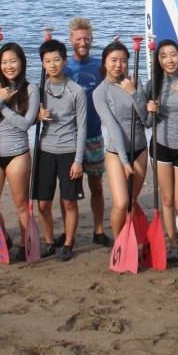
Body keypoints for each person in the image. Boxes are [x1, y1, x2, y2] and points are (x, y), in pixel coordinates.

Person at [0, 42, 39, 262]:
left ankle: (25, 244)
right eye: (4, 62)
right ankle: (3, 238)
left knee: (21, 204)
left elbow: (25, 124)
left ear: (22, 62)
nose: (9, 66)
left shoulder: (30, 89)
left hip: (18, 153)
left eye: (13, 61)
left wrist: (1, 104)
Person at [145, 39, 178, 263]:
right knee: (166, 200)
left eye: (173, 54)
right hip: (160, 148)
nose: (169, 60)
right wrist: (150, 110)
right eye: (164, 56)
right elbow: (148, 124)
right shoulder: (152, 84)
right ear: (158, 60)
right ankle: (173, 245)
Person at [36, 39, 87, 262]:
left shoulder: (76, 91)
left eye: (57, 59)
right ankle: (49, 241)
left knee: (69, 202)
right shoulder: (37, 90)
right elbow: (28, 119)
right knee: (43, 203)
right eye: (48, 61)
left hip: (68, 151)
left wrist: (78, 160)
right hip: (45, 150)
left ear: (65, 61)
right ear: (43, 65)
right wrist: (36, 116)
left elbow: (82, 127)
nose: (53, 64)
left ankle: (68, 242)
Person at [63, 17, 112, 247]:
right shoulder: (63, 68)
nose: (82, 42)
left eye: (86, 38)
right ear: (70, 40)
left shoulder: (99, 66)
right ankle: (68, 233)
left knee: (96, 185)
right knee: (69, 191)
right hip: (68, 138)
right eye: (78, 38)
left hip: (93, 135)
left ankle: (99, 230)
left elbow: (112, 88)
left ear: (91, 40)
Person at [92, 40, 148, 241]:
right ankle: (119, 242)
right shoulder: (100, 92)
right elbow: (113, 127)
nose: (118, 65)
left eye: (123, 60)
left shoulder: (135, 81)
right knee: (121, 203)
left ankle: (130, 237)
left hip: (141, 148)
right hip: (117, 153)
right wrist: (125, 161)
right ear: (105, 63)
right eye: (113, 60)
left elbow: (147, 120)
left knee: (132, 201)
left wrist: (133, 92)